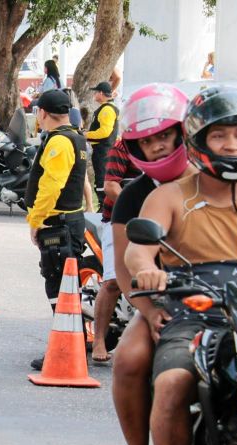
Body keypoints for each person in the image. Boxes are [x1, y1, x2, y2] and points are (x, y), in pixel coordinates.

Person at [125, 86, 237, 445]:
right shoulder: (169, 196)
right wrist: (149, 270)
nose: (233, 146)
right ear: (198, 141)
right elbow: (138, 252)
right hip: (194, 312)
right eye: (221, 136)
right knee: (171, 384)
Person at [105, 83, 191, 445]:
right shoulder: (134, 197)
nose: (158, 146)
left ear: (182, 132)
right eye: (147, 140)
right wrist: (151, 310)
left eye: (164, 136)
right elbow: (126, 269)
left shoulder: (222, 179)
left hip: (232, 296)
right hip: (165, 300)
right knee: (128, 359)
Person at [25, 89, 88, 370]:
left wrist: (36, 220)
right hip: (69, 220)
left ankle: (65, 347)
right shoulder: (75, 137)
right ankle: (70, 342)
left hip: (57, 223)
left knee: (58, 285)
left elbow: (52, 185)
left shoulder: (59, 142)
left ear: (42, 113)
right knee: (65, 285)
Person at [90, 139, 141, 363]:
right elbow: (111, 186)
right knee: (112, 281)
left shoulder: (176, 148)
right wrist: (135, 205)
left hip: (157, 220)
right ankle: (99, 339)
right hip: (120, 219)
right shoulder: (124, 147)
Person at [85, 81, 119, 209]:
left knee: (101, 179)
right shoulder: (109, 108)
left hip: (103, 151)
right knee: (102, 178)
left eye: (95, 92)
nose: (94, 94)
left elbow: (105, 132)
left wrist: (86, 135)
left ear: (100, 93)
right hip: (104, 150)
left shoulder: (107, 109)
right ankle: (104, 205)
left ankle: (104, 206)